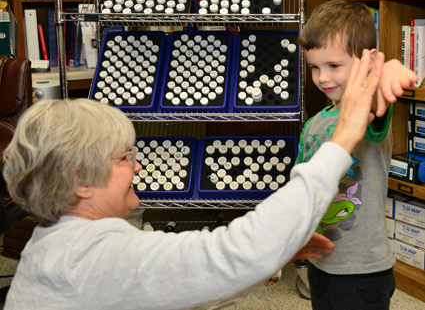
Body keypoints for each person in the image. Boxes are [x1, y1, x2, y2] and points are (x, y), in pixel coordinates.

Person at [2, 50, 402, 310]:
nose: (138, 168)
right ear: (80, 180)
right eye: (125, 157)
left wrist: (273, 253)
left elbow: (178, 284)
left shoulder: (56, 245)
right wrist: (345, 134)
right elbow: (228, 254)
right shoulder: (95, 258)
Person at [296, 0, 418, 310]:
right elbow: (302, 186)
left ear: (367, 63)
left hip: (363, 270)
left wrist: (387, 69)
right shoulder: (313, 124)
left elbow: (382, 95)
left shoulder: (368, 112)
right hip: (320, 263)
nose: (323, 78)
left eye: (334, 66)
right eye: (315, 67)